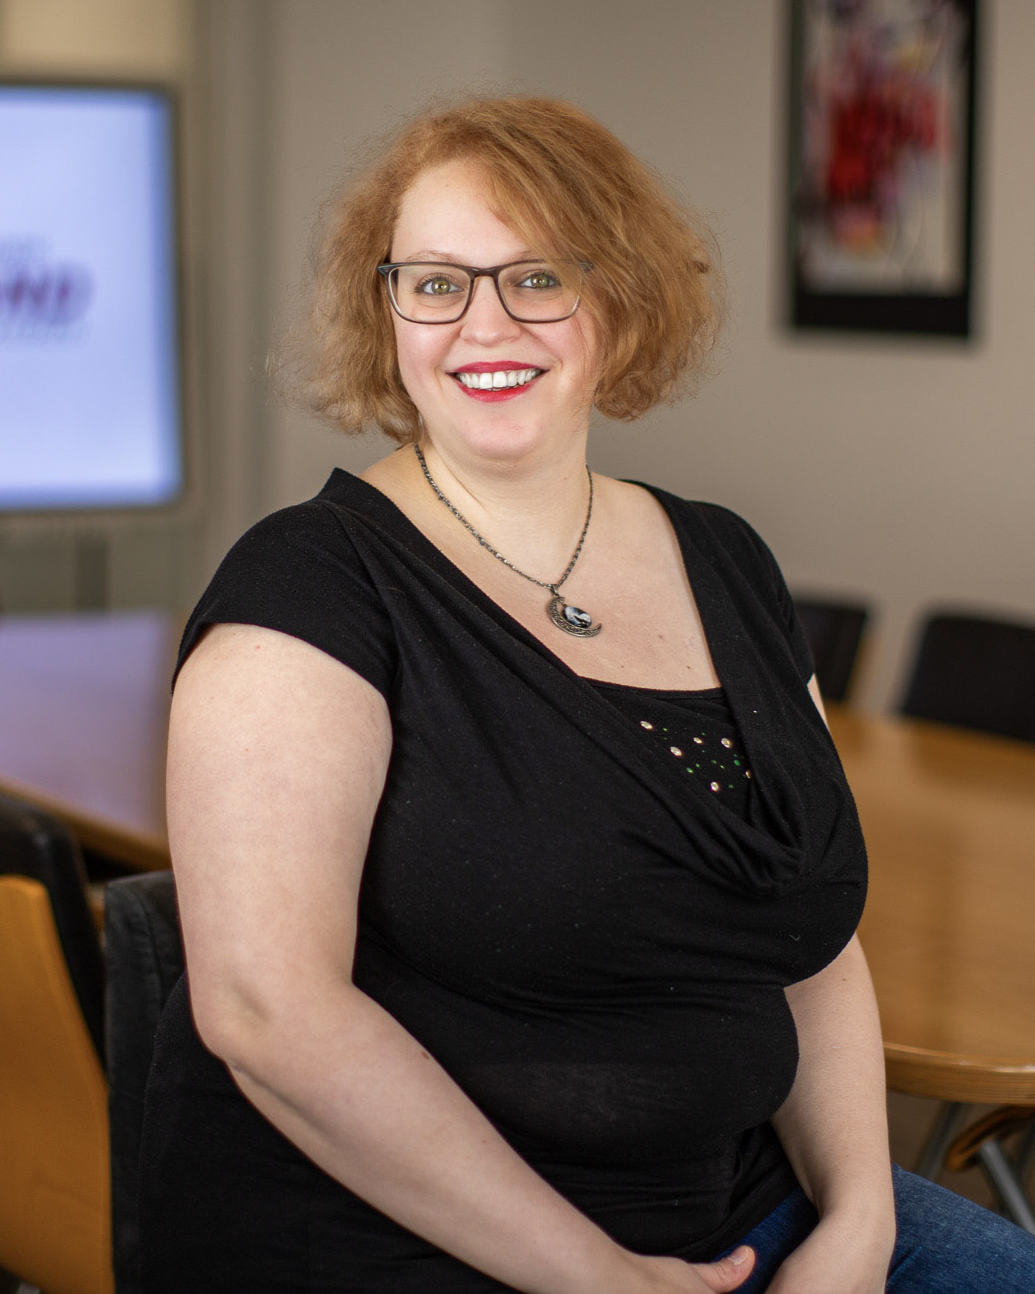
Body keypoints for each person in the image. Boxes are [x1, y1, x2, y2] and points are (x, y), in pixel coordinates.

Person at [139, 96, 1035, 1292]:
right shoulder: (311, 587)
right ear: (385, 309)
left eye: (538, 276)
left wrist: (860, 1221)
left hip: (740, 1201)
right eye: (438, 283)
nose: (484, 323)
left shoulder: (728, 561)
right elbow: (265, 1011)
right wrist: (599, 1277)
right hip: (419, 1241)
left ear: (616, 299)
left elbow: (803, 932)